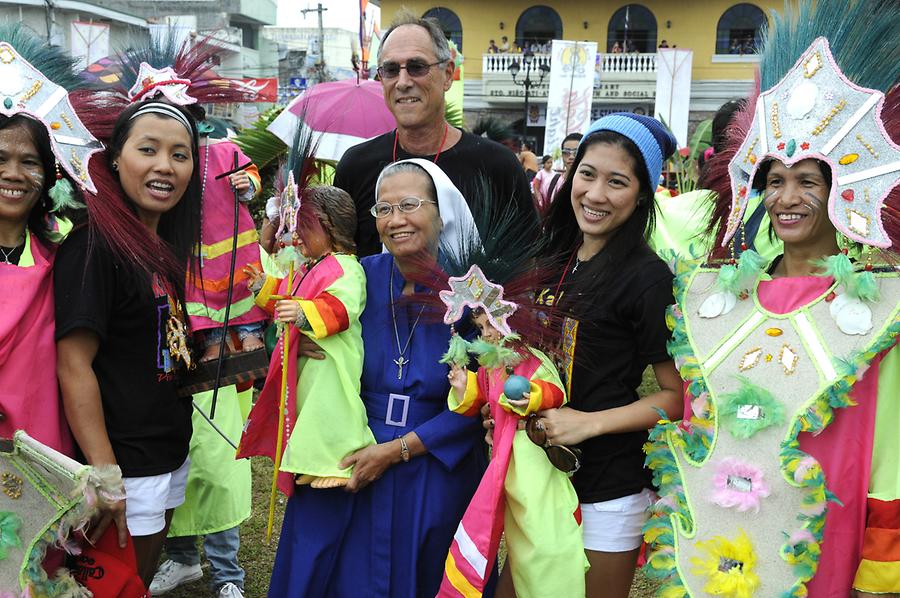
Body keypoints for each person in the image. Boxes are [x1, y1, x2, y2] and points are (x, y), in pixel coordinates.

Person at [642, 6, 900, 593]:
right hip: (722, 526)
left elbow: (891, 448)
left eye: (808, 180)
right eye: (775, 180)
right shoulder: (719, 295)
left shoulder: (884, 305)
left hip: (822, 528)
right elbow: (700, 418)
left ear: (840, 190)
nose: (787, 197)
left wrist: (882, 565)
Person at [268, 159, 489, 597]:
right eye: (383, 209)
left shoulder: (472, 293)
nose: (395, 220)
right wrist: (305, 346)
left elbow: (485, 394)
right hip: (349, 444)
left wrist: (395, 451)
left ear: (440, 212)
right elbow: (290, 317)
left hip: (433, 457)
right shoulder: (356, 275)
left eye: (409, 204)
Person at [112, 39, 259, 598]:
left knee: (217, 462)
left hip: (220, 326)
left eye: (184, 138)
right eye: (151, 143)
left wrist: (250, 186)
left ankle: (226, 571)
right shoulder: (128, 231)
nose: (171, 158)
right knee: (178, 462)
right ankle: (183, 558)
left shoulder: (219, 159)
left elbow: (252, 182)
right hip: (161, 370)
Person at [533, 113, 684, 597]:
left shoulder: (648, 277)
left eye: (617, 181)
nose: (595, 194)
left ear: (642, 194)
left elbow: (677, 398)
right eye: (587, 174)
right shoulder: (550, 257)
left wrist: (588, 423)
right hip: (534, 474)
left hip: (609, 487)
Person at [55, 98, 202, 587]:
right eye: (148, 150)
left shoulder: (161, 247)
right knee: (113, 588)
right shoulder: (95, 245)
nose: (165, 166)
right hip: (124, 464)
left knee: (133, 587)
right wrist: (105, 475)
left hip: (164, 452)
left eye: (180, 155)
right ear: (115, 157)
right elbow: (73, 363)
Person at [333, 9, 537, 257]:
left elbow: (528, 268)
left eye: (417, 67)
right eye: (391, 70)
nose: (403, 81)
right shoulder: (355, 167)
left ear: (448, 75)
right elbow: (340, 268)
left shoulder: (497, 166)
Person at [239, 177, 375, 490]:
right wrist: (265, 289)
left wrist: (303, 314)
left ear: (330, 226)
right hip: (308, 357)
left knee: (329, 407)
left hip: (332, 357)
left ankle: (336, 461)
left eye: (304, 227)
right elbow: (287, 293)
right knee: (306, 409)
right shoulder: (307, 266)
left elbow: (342, 306)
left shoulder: (345, 267)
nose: (296, 235)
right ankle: (309, 461)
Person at [545, 133, 583, 207]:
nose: (571, 157)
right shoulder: (554, 181)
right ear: (562, 155)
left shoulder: (590, 185)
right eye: (566, 152)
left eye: (576, 152)